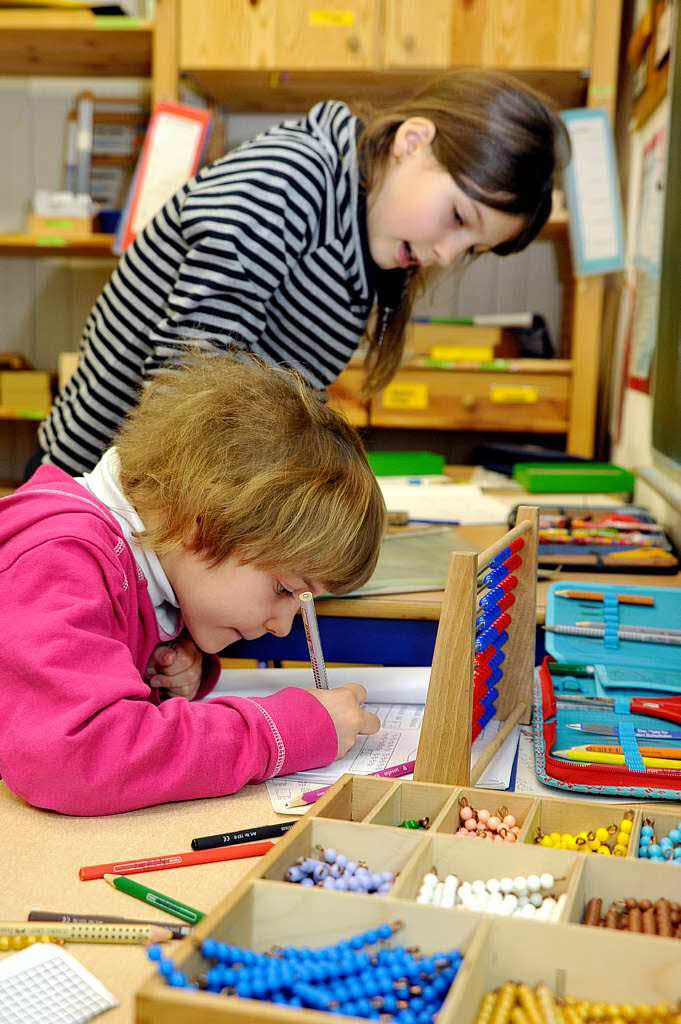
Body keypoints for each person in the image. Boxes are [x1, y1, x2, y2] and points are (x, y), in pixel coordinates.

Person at [32, 68, 570, 477]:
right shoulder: (287, 181)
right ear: (412, 142)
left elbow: (264, 409)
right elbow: (185, 397)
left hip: (154, 501)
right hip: (90, 504)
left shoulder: (362, 238)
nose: (448, 255)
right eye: (457, 218)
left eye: (472, 248)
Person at [0, 354, 384, 815]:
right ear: (203, 520)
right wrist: (280, 732)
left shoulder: (148, 563)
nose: (283, 627)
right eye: (284, 590)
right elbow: (76, 756)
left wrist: (171, 671)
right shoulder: (58, 557)